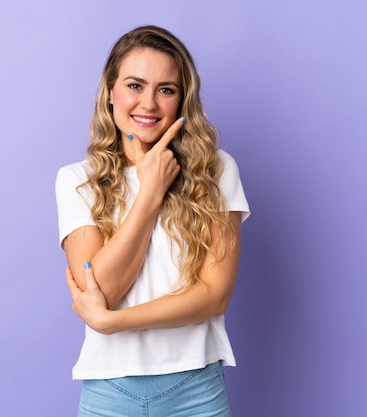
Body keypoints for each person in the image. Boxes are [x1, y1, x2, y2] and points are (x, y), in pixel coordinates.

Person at [55, 25, 250, 417]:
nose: (148, 103)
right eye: (134, 85)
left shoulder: (216, 170)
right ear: (111, 92)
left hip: (195, 388)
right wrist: (149, 191)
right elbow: (103, 288)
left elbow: (214, 296)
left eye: (166, 89)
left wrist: (113, 323)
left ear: (182, 100)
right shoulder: (76, 180)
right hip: (110, 392)